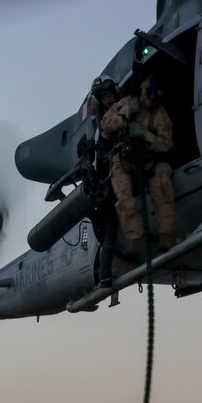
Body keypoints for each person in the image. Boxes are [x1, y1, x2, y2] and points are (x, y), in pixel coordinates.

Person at [100, 73, 174, 257]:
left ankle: (165, 236)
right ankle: (135, 239)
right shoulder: (125, 103)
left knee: (162, 183)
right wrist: (124, 117)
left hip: (150, 159)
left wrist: (147, 136)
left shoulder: (160, 114)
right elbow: (105, 124)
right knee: (123, 195)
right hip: (124, 160)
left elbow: (166, 144)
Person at [88, 77, 120, 289]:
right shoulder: (105, 128)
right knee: (111, 229)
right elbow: (101, 161)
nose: (109, 100)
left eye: (110, 95)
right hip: (109, 191)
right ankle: (105, 276)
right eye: (105, 97)